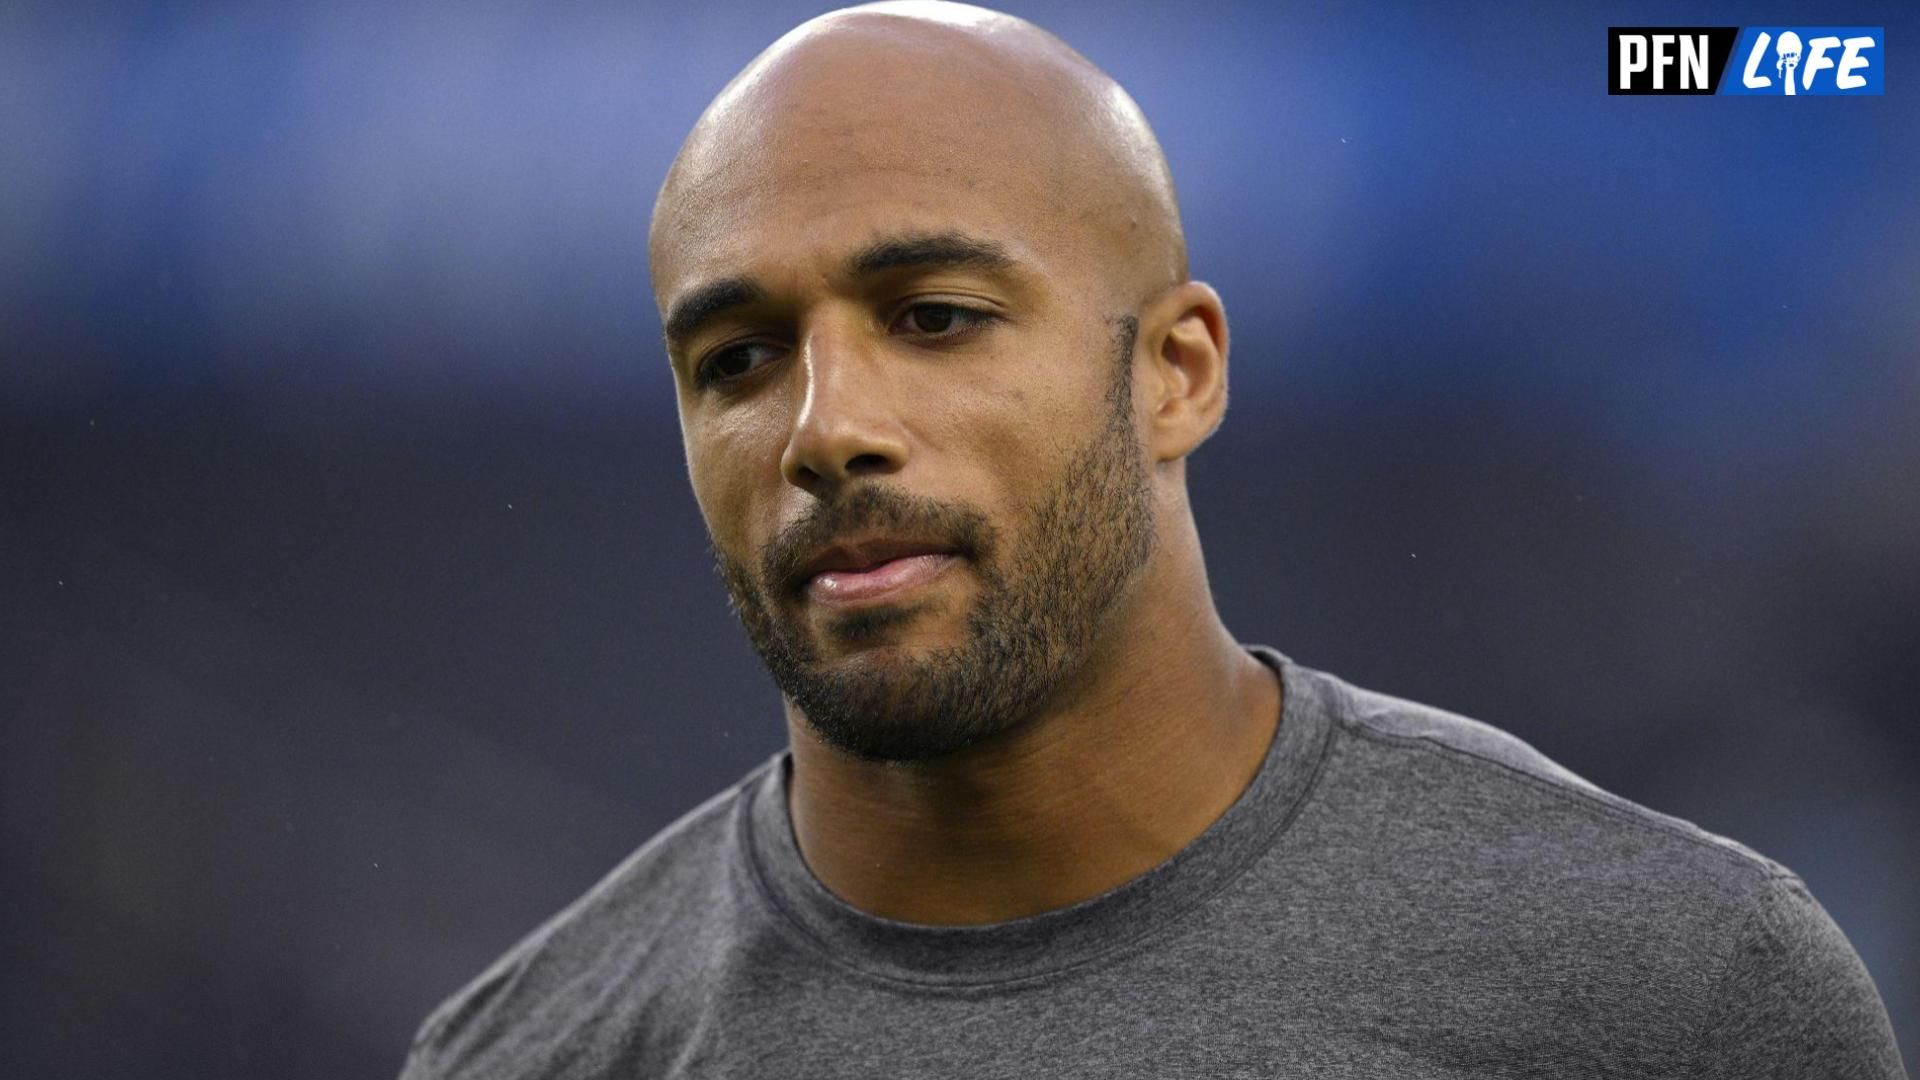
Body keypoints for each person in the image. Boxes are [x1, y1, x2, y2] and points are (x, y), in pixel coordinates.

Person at [399, 3, 1906, 1076]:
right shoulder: (534, 1051)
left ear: (1176, 372)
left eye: (936, 319)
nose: (824, 426)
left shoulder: (1671, 992)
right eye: (735, 357)